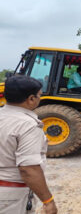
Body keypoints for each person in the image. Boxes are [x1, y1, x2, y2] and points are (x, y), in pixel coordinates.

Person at [0, 76, 57, 214]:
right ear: (31, 99)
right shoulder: (28, 125)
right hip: (10, 197)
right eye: (39, 96)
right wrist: (48, 201)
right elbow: (28, 169)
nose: (40, 99)